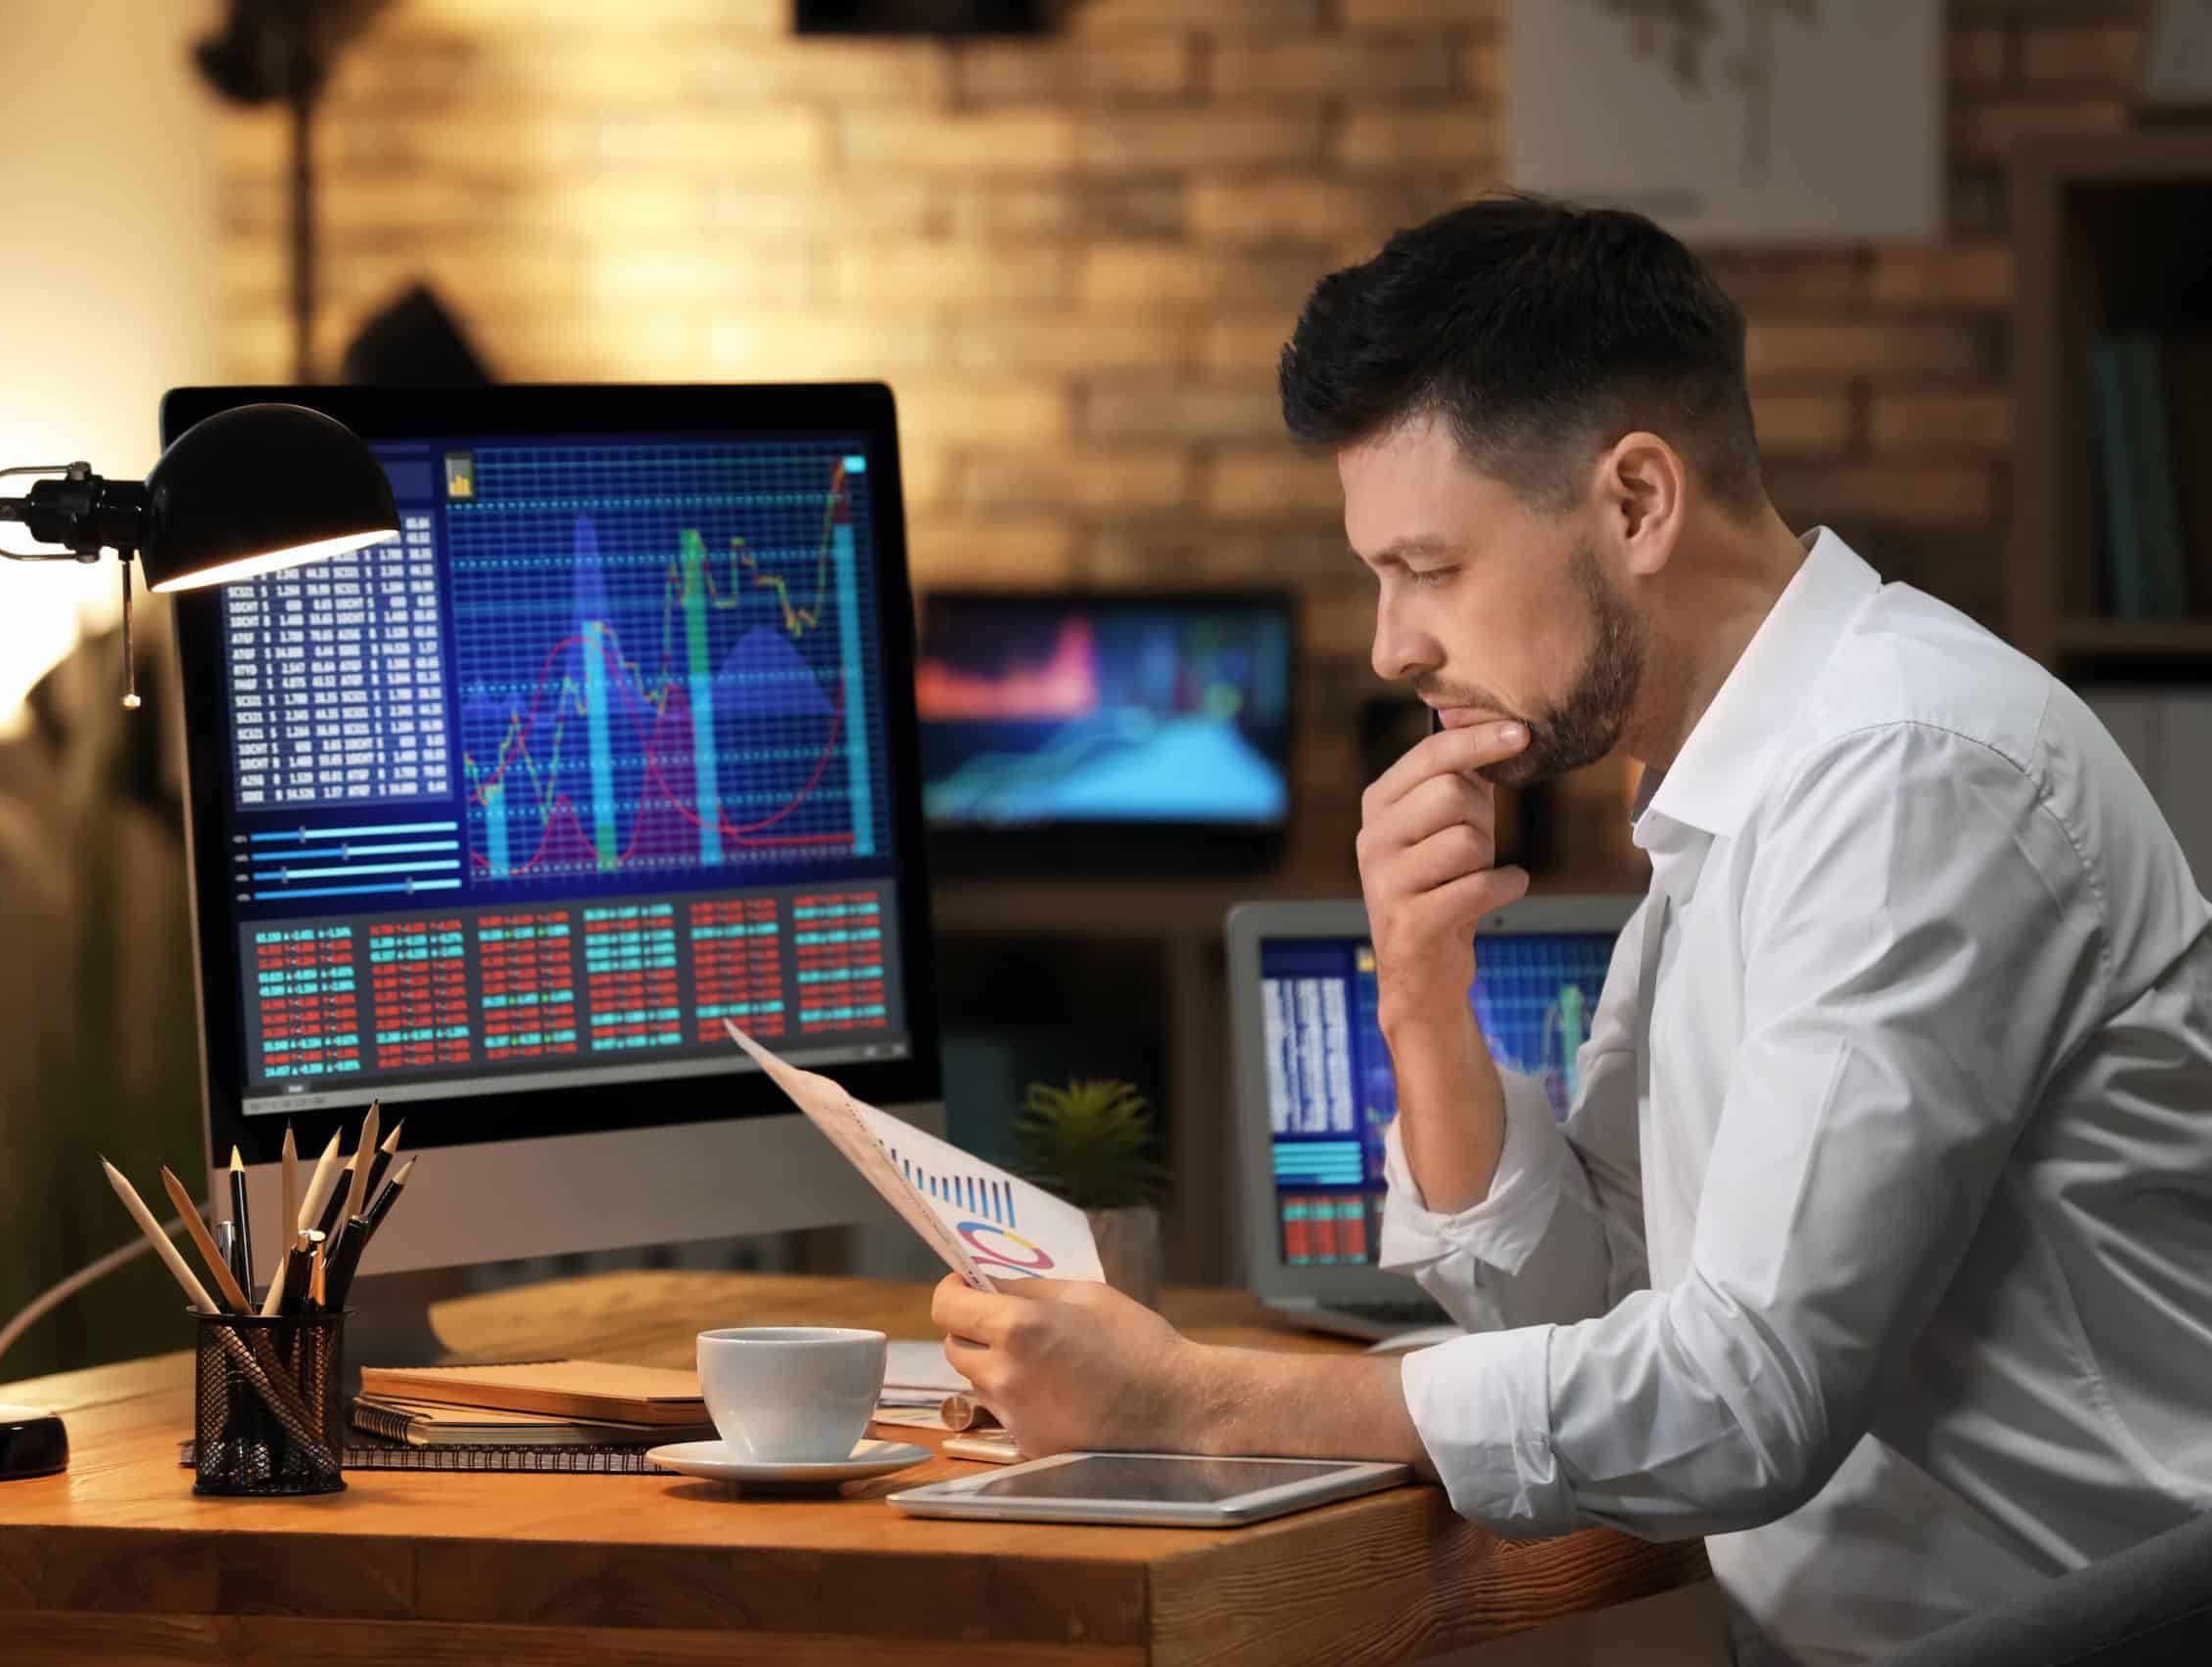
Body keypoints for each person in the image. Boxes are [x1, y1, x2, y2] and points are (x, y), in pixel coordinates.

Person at [932, 195, 2212, 1666]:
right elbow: (1601, 1295)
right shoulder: (1734, 776)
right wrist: (1419, 999)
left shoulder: (1908, 774)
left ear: (1637, 503)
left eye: (1430, 566)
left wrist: (1200, 1405)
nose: (1389, 644)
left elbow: (1740, 1395)